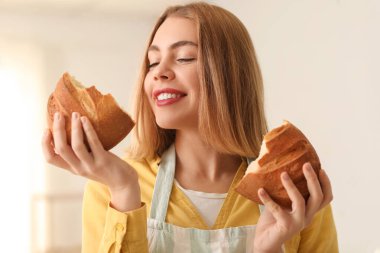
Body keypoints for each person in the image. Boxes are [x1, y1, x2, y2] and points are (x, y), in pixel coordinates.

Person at [42, 2, 338, 253]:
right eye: (152, 61)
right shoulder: (108, 187)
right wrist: (123, 189)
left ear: (230, 74)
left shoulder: (294, 190)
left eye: (184, 57)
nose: (159, 73)